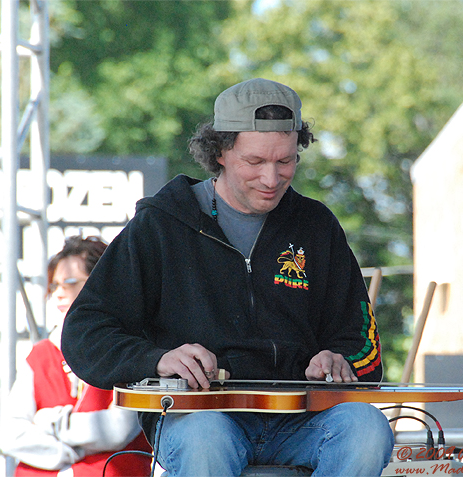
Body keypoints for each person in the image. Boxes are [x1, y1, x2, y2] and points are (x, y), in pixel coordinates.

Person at [61, 78, 395, 476]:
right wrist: (158, 359)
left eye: (285, 161)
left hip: (302, 418)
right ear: (219, 151)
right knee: (205, 439)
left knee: (367, 429)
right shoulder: (162, 224)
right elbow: (85, 331)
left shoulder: (317, 226)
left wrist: (339, 361)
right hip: (200, 417)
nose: (271, 179)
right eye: (255, 162)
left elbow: (363, 345)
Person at [1, 235, 152, 477]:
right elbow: (11, 434)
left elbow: (118, 430)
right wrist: (71, 454)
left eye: (70, 282)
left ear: (100, 283)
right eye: (54, 285)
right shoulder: (39, 355)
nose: (58, 294)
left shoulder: (132, 350)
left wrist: (51, 421)